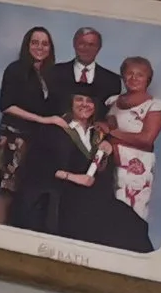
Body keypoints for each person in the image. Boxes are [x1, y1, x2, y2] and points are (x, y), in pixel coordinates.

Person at [52, 86, 154, 252]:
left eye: (89, 101)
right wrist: (73, 177)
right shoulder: (57, 130)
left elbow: (103, 172)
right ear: (70, 103)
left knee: (134, 224)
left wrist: (107, 152)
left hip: (96, 196)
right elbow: (41, 166)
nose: (85, 105)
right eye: (79, 100)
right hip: (67, 195)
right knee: (106, 228)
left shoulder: (98, 134)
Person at [0, 25, 70, 230]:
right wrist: (42, 120)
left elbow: (55, 108)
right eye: (35, 42)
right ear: (27, 45)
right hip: (13, 139)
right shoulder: (15, 69)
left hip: (37, 141)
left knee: (27, 191)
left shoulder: (50, 74)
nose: (40, 47)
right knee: (8, 191)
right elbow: (6, 105)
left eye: (45, 44)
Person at [103, 56, 161, 236]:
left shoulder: (155, 105)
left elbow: (146, 139)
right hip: (109, 162)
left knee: (132, 212)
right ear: (123, 76)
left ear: (148, 79)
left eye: (140, 75)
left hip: (135, 168)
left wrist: (112, 133)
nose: (133, 78)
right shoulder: (111, 101)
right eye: (129, 74)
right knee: (107, 212)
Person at [60, 26, 122, 116]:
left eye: (92, 45)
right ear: (74, 44)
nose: (86, 48)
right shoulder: (54, 72)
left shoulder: (113, 80)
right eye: (82, 43)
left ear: (99, 48)